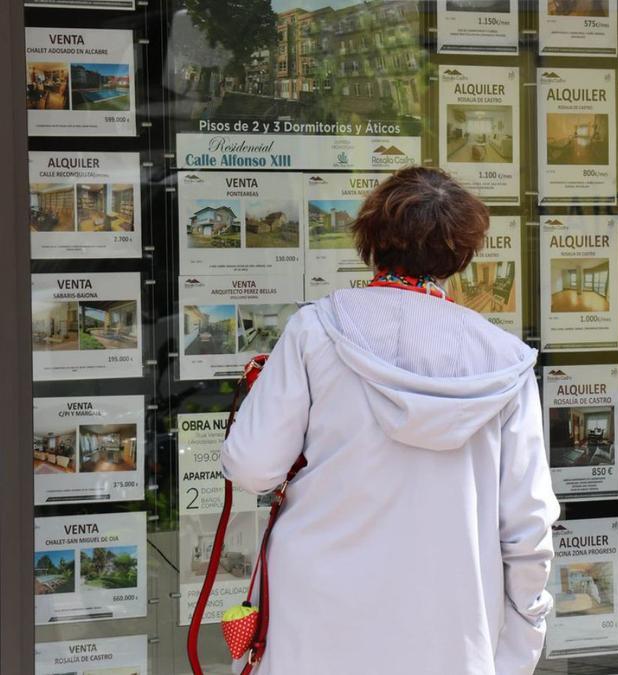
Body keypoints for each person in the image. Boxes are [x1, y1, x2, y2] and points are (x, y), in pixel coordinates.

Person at [222, 165, 559, 675]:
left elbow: (252, 469)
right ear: (460, 255)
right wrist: (522, 638)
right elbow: (527, 525)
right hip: (450, 623)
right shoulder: (504, 363)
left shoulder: (316, 331)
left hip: (315, 619)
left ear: (372, 240)